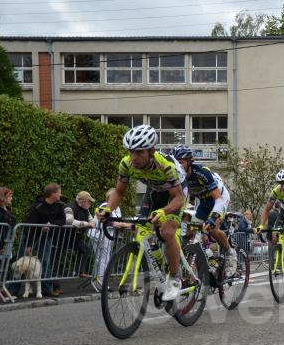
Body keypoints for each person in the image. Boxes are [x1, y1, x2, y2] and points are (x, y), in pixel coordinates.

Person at [97, 125, 186, 301]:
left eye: (139, 152)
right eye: (131, 152)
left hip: (176, 193)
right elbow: (119, 192)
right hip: (154, 191)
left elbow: (178, 199)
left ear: (151, 151)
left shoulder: (166, 166)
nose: (134, 157)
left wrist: (164, 211)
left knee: (167, 231)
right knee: (141, 229)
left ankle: (175, 278)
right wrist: (108, 208)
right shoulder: (126, 164)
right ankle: (159, 257)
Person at [170, 145, 237, 276]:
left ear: (189, 162)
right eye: (176, 162)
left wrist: (213, 218)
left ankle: (230, 253)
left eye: (181, 162)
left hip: (219, 198)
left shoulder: (201, 172)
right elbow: (182, 200)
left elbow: (218, 198)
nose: (178, 166)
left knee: (211, 228)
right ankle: (207, 255)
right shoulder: (176, 176)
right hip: (203, 201)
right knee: (189, 232)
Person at [23, 183, 67, 297]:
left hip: (46, 237)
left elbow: (62, 220)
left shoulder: (59, 205)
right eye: (59, 192)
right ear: (53, 193)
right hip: (32, 236)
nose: (60, 194)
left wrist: (50, 224)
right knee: (23, 261)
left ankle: (47, 289)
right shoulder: (37, 207)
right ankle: (13, 288)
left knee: (46, 262)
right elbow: (30, 226)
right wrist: (28, 244)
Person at [65, 191, 96, 279]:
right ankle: (54, 283)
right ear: (83, 201)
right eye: (89, 201)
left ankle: (79, 272)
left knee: (85, 249)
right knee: (56, 257)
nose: (90, 203)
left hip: (76, 237)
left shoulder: (86, 209)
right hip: (63, 237)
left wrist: (92, 223)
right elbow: (69, 221)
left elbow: (92, 220)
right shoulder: (69, 208)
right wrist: (86, 224)